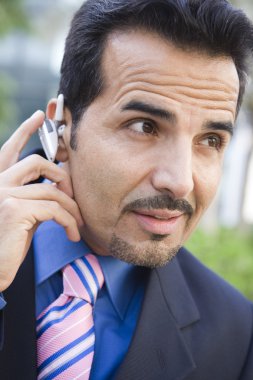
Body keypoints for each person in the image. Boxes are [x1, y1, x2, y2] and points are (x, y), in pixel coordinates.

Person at [0, 0, 253, 379]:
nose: (181, 181)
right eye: (144, 127)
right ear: (62, 130)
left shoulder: (237, 334)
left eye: (211, 140)